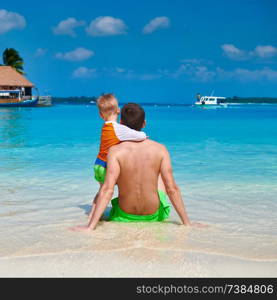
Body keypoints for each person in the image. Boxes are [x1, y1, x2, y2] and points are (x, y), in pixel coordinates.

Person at [72, 103, 204, 232]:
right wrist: (187, 223)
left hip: (123, 215)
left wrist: (90, 227)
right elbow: (172, 189)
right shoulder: (160, 149)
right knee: (160, 176)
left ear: (121, 123)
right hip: (154, 216)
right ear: (144, 123)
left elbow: (107, 190)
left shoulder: (115, 151)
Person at [89, 94, 147, 219]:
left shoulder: (106, 127)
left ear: (100, 115)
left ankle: (92, 213)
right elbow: (141, 135)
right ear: (118, 110)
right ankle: (98, 216)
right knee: (107, 192)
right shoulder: (118, 128)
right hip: (106, 166)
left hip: (98, 164)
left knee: (101, 191)